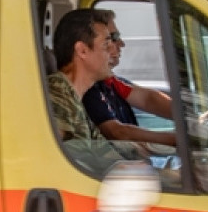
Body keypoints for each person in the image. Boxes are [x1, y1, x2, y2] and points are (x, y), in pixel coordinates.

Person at [44, 9, 138, 172]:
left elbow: (109, 158)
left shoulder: (76, 100)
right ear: (82, 51)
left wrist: (161, 174)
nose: (113, 51)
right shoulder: (57, 93)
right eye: (106, 44)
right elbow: (56, 167)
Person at [83, 9, 177, 150]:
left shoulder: (110, 81)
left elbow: (148, 99)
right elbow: (118, 132)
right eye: (112, 38)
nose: (121, 44)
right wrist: (179, 139)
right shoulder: (88, 87)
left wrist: (191, 119)